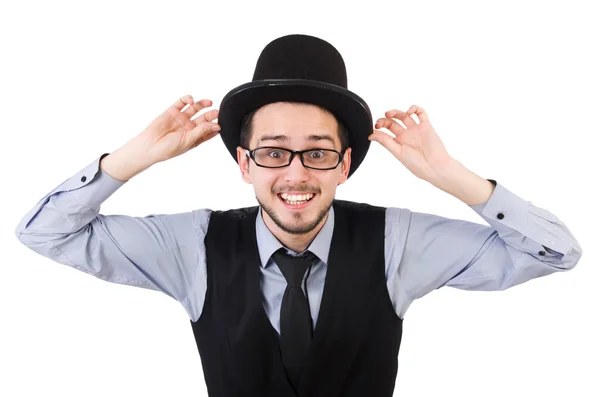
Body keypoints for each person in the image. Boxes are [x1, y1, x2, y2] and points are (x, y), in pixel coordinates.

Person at [14, 34, 582, 397]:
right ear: (244, 163)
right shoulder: (190, 244)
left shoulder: (397, 241)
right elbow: (44, 232)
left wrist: (452, 176)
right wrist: (128, 161)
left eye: (317, 151)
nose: (295, 174)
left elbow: (556, 253)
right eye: (272, 151)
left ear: (344, 163)